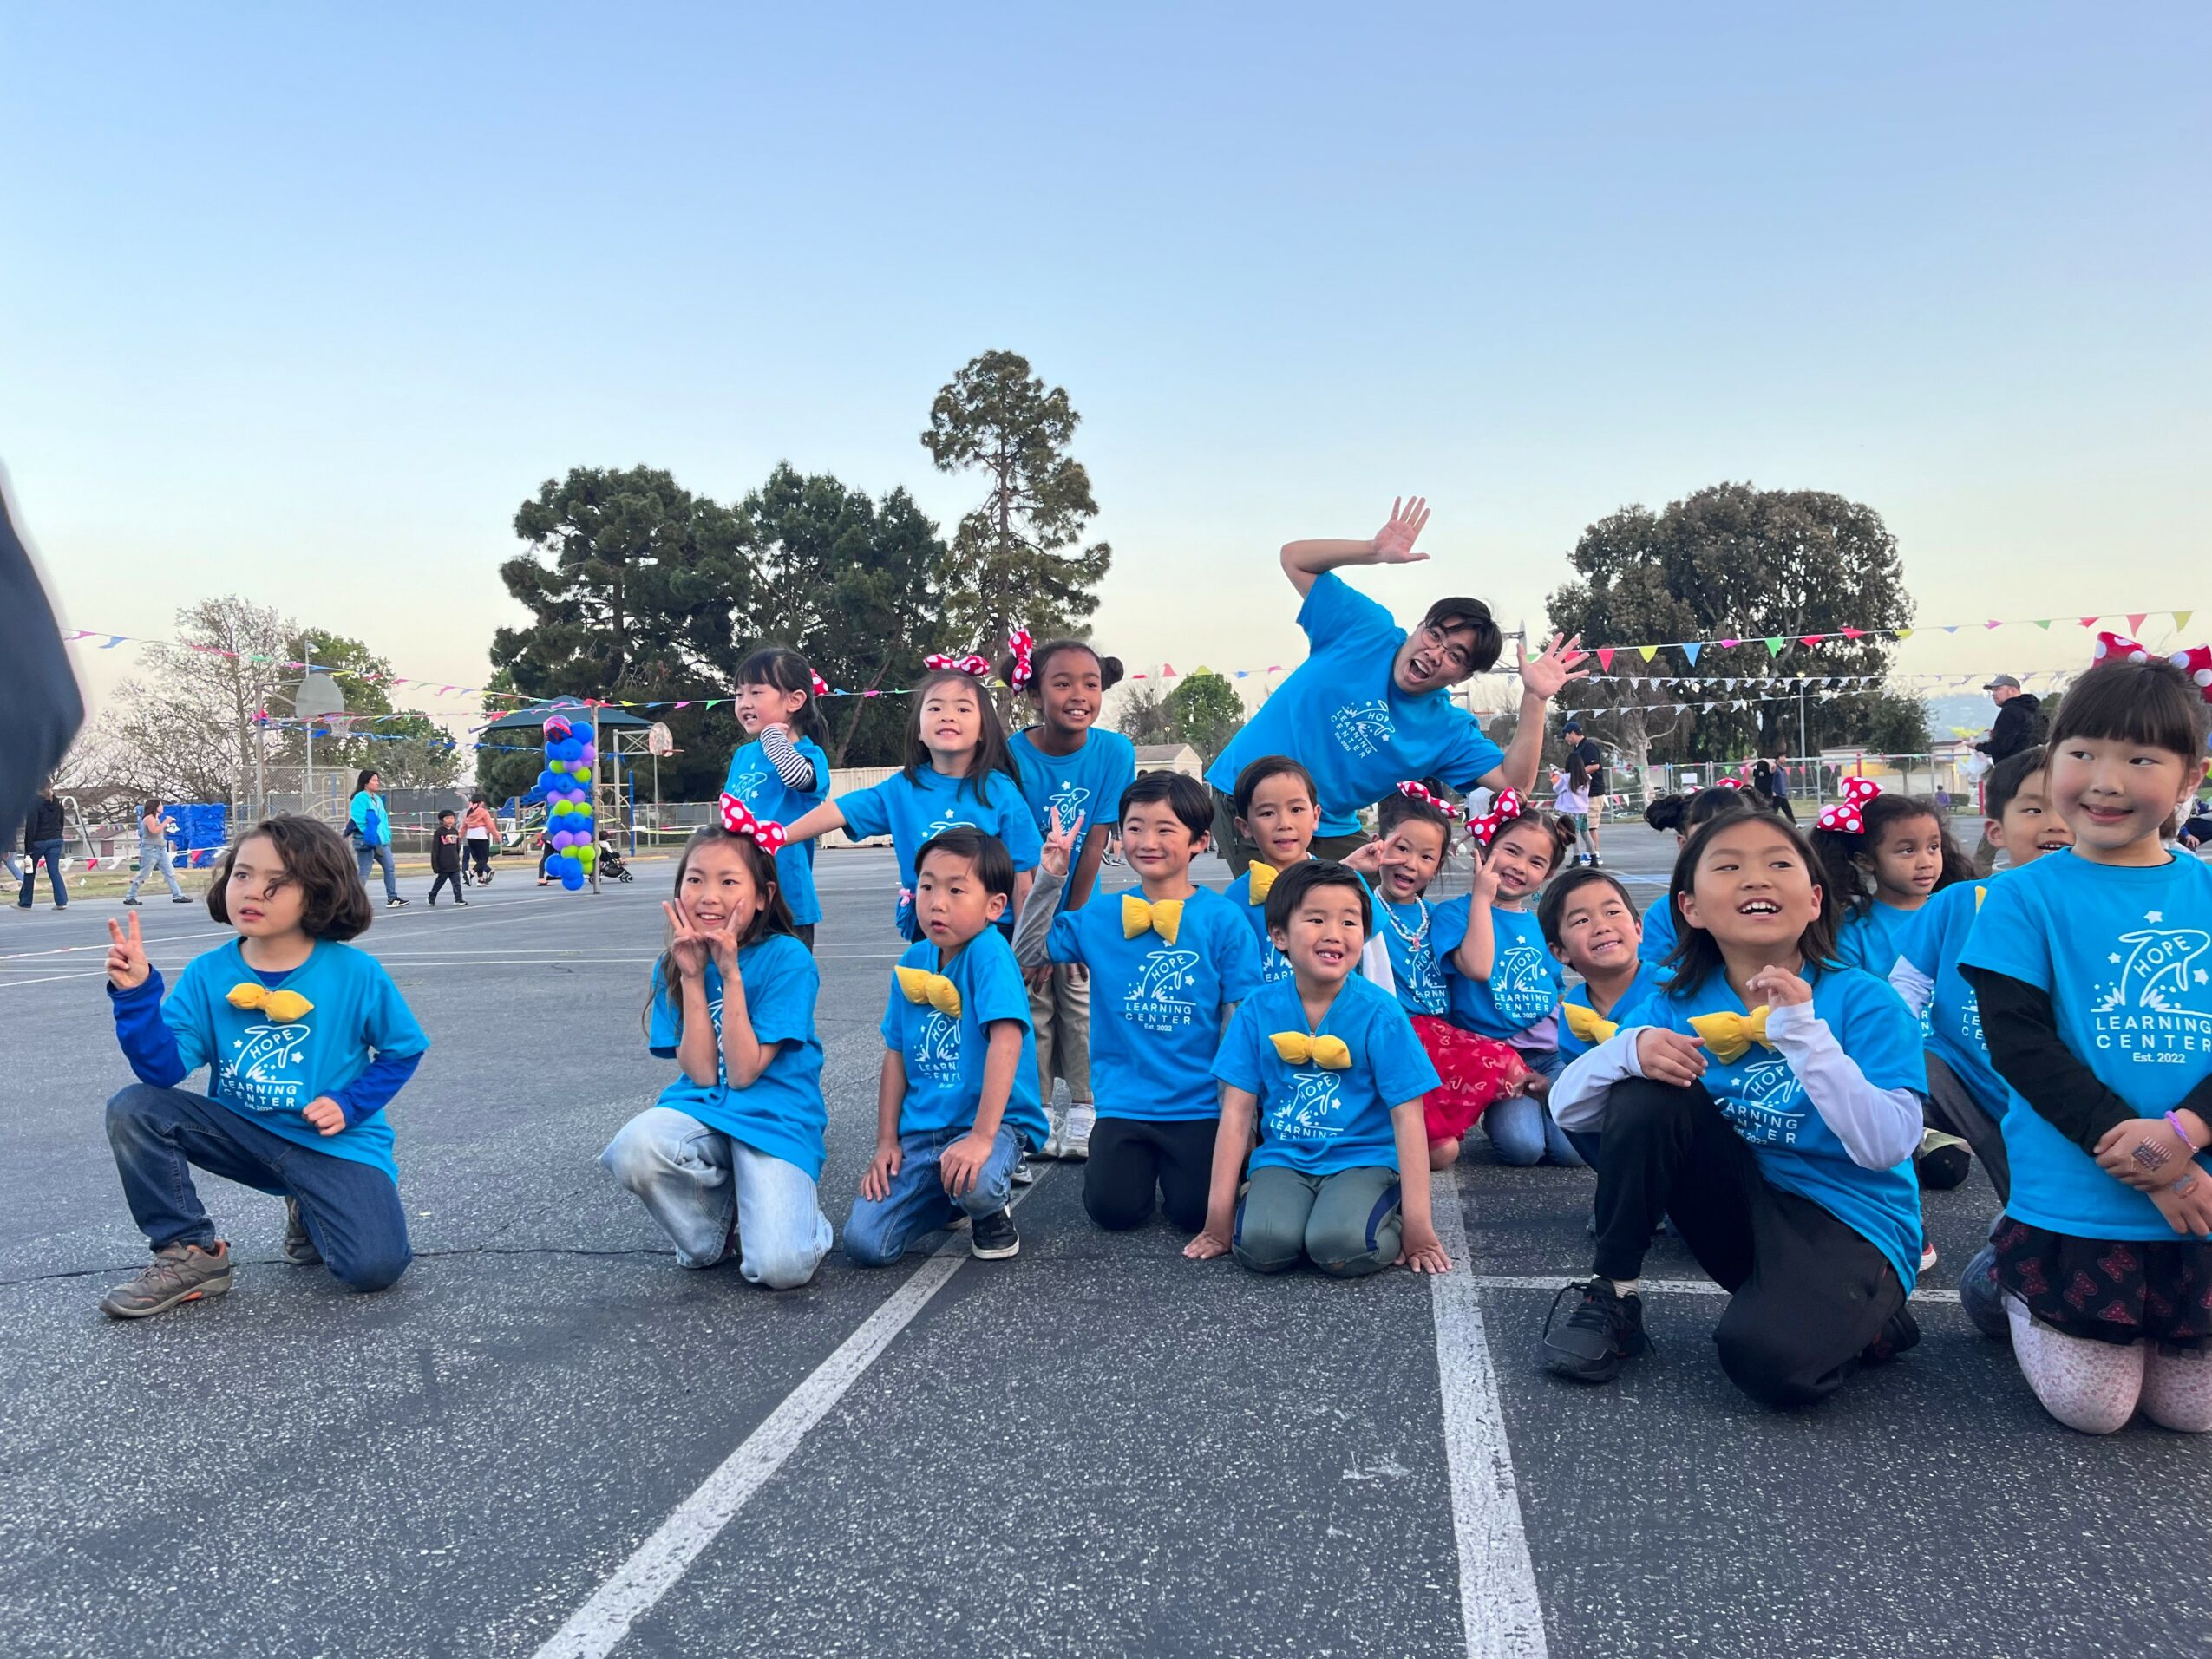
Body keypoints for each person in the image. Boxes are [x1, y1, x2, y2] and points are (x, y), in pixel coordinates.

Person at [1539, 810, 1925, 1405]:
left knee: (1766, 1363)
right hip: (1742, 1207)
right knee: (1643, 1089)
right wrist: (1627, 1050)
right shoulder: (1675, 1002)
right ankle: (1613, 1292)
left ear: (1815, 899)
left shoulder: (1864, 1000)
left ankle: (1867, 1315)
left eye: (1778, 863)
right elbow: (1569, 1109)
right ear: (1690, 907)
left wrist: (1806, 1035)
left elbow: (1888, 1145)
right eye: (1728, 866)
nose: (1756, 878)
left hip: (1850, 1219)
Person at [1960, 652, 2212, 1434]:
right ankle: (2003, 1278)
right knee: (2096, 1409)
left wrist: (2187, 1133)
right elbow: (2020, 1044)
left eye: (2140, 759)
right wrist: (2152, 1160)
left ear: (2191, 777)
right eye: (2083, 752)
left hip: (2197, 1192)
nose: (2104, 780)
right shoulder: (2020, 896)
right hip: (2080, 1191)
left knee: (2192, 1412)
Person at [96, 815, 428, 1317]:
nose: (253, 892)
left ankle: (308, 1205)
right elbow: (161, 1071)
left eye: (278, 882)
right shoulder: (209, 973)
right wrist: (137, 996)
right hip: (244, 1135)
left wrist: (349, 1103)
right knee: (135, 1109)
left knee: (373, 1269)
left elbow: (403, 1050)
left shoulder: (355, 973)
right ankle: (189, 1250)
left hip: (332, 1143)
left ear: (319, 893)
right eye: (243, 874)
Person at [1204, 497, 1587, 872]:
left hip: (1329, 823)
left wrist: (1535, 698)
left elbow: (1512, 784)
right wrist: (1372, 551)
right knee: (1291, 903)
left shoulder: (1447, 730)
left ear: (1462, 677)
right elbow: (1294, 558)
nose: (1435, 654)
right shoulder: (1364, 629)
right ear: (1419, 627)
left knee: (1377, 894)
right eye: (1435, 635)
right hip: (1249, 798)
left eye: (1455, 656)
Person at [1013, 773, 1261, 1232]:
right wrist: (1051, 876)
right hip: (1124, 1104)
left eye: (1165, 829)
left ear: (1199, 840)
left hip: (1199, 1106)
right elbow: (1028, 951)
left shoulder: (1223, 920)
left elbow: (1238, 1023)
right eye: (1135, 827)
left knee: (1194, 1214)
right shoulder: (1102, 915)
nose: (1148, 841)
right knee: (1114, 1211)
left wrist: (1240, 1120)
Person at [599, 816, 833, 1289]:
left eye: (728, 882)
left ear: (764, 895)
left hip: (774, 1118)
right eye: (695, 880)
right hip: (707, 1109)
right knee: (636, 1148)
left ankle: (801, 1221)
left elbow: (743, 1073)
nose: (708, 896)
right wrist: (691, 976)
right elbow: (705, 1075)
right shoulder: (674, 962)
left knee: (782, 1269)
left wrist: (730, 974)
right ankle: (715, 1233)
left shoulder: (788, 958)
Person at [1187, 861, 1451, 1277]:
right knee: (1260, 1248)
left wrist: (1420, 1227)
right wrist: (1216, 1220)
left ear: (1364, 935)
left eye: (1349, 921)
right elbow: (1236, 1114)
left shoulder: (1380, 1012)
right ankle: (1282, 1209)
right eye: (1315, 919)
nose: (1334, 933)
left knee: (1340, 1248)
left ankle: (1387, 1215)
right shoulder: (1257, 1010)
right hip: (1285, 1158)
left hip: (1362, 1160)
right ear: (1279, 936)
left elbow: (1408, 1117)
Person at [1888, 746, 2072, 1331]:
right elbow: (1905, 987)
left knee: (2007, 1288)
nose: (2054, 823)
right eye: (2034, 809)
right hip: (1963, 1079)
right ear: (1996, 830)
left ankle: (2016, 1257)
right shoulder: (1959, 903)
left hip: (2053, 1104)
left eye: (2066, 806)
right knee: (1884, 1086)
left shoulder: (2089, 911)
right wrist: (1884, 1054)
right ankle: (1891, 1227)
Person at [844, 828, 1048, 1265]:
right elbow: (896, 1054)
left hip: (990, 1124)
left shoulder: (989, 953)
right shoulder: (912, 961)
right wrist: (886, 1142)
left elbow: (1007, 1042)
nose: (937, 903)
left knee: (979, 1182)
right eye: (927, 887)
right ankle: (944, 1197)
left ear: (995, 906)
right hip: (924, 1130)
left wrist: (982, 1137)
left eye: (956, 890)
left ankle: (988, 1212)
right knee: (865, 1243)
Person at [781, 663, 1042, 942]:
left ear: (983, 731)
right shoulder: (901, 789)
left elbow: (1024, 877)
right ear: (918, 729)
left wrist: (1026, 949)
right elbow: (839, 810)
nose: (948, 716)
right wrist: (777, 837)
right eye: (935, 708)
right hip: (930, 929)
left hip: (992, 933)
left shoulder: (1000, 791)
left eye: (963, 709)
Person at [1005, 635, 1137, 1162]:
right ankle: (1035, 1114)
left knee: (1080, 1002)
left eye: (1090, 684)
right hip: (1024, 901)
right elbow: (1016, 850)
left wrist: (1073, 929)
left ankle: (1084, 1107)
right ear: (1035, 694)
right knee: (1031, 1004)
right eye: (1062, 684)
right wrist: (1034, 934)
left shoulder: (1114, 752)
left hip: (1081, 905)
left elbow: (1096, 840)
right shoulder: (1009, 755)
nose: (1079, 695)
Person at [1354, 786, 1534, 1167]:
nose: (1410, 864)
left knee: (1448, 1146)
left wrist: (1482, 897)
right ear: (1377, 843)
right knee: (1444, 1151)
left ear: (1438, 865)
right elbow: (1317, 895)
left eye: (1426, 857)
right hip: (1395, 1037)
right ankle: (1373, 1137)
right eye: (1401, 848)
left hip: (1441, 1042)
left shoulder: (1437, 916)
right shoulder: (1362, 905)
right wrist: (1353, 869)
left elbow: (1479, 967)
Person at [1434, 796, 1580, 1166]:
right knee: (1523, 1148)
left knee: (1572, 1153)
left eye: (1536, 862)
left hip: (1549, 1054)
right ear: (1485, 847)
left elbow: (1554, 986)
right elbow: (1476, 968)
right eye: (1511, 851)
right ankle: (1504, 1111)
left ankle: (1549, 1103)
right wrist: (1482, 898)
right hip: (1496, 1057)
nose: (1519, 867)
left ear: (1548, 874)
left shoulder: (1541, 923)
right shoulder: (1454, 913)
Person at [723, 646, 833, 950]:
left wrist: (774, 739)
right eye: (738, 694)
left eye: (756, 692)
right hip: (739, 893)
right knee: (736, 974)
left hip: (787, 899)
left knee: (787, 975)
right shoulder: (743, 755)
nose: (744, 703)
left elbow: (798, 778)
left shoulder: (810, 754)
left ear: (795, 700)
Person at [1812, 784, 1972, 977]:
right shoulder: (1853, 931)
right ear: (1865, 861)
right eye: (1908, 850)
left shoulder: (1957, 910)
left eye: (1933, 847)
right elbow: (1851, 992)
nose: (1926, 863)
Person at [1638, 784, 1782, 963]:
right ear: (1684, 845)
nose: (1724, 846)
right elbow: (1651, 975)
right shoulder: (1664, 916)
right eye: (1707, 836)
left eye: (1736, 835)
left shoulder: (1777, 898)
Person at [349, 769, 404, 908]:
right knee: (365, 870)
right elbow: (359, 818)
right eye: (374, 780)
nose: (377, 783)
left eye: (377, 780)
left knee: (389, 867)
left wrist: (386, 835)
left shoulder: (377, 799)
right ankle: (352, 901)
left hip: (381, 840)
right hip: (366, 840)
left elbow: (383, 820)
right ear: (365, 782)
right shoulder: (360, 798)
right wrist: (370, 833)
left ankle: (392, 898)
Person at [123, 801, 190, 906]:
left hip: (161, 850)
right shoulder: (148, 818)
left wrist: (169, 828)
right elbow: (154, 831)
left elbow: (158, 832)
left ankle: (178, 896)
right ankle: (130, 897)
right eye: (160, 805)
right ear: (155, 807)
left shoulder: (156, 818)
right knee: (143, 874)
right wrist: (166, 822)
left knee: (170, 873)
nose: (162, 807)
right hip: (150, 850)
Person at [1974, 673, 2046, 765]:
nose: (1993, 694)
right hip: (2036, 764)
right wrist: (1998, 732)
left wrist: (1978, 746)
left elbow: (2001, 746)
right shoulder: (2035, 709)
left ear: (2012, 690)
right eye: (1993, 691)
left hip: (2014, 767)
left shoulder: (2010, 711)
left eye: (1998, 689)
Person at [17, 781, 67, 910]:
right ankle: (61, 901)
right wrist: (58, 834)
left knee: (29, 871)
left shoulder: (34, 803)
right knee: (54, 871)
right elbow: (61, 821)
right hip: (56, 840)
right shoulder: (57, 802)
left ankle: (25, 902)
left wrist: (28, 848)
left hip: (38, 841)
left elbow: (31, 826)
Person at [1561, 719, 1605, 864]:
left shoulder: (1588, 747)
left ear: (1573, 733)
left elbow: (1595, 766)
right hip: (1582, 795)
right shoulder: (1577, 749)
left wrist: (1576, 774)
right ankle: (1589, 854)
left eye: (1566, 735)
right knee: (1584, 827)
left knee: (1591, 825)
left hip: (1593, 792)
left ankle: (1594, 854)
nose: (1565, 739)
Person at [427, 809, 466, 906]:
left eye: (452, 818)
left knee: (457, 883)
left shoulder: (455, 831)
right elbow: (435, 849)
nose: (450, 820)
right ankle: (432, 896)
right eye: (447, 818)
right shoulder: (439, 832)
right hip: (443, 864)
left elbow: (457, 847)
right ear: (442, 820)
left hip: (454, 863)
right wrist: (435, 865)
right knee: (439, 882)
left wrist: (457, 859)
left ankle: (458, 899)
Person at [1751, 748, 1796, 824]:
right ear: (1778, 758)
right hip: (1776, 794)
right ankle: (1768, 823)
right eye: (1783, 757)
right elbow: (1771, 780)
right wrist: (1773, 791)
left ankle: (1794, 824)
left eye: (1785, 757)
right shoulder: (1774, 769)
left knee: (1788, 810)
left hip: (1782, 794)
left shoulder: (1781, 769)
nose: (1785, 759)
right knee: (1773, 811)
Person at [461, 794, 498, 885]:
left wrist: (459, 835)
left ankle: (480, 880)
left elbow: (463, 825)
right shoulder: (483, 811)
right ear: (481, 803)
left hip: (470, 837)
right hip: (480, 836)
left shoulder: (468, 812)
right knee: (484, 859)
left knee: (478, 859)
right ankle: (471, 872)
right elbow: (490, 825)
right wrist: (497, 836)